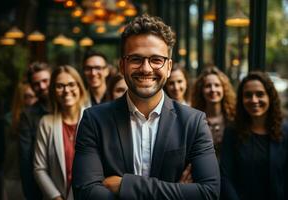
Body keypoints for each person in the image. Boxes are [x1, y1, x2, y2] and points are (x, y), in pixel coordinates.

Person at [73, 14, 220, 200]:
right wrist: (176, 192)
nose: (146, 68)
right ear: (122, 66)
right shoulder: (94, 120)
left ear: (168, 67)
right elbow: (86, 192)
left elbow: (208, 193)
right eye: (136, 59)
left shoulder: (193, 121)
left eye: (156, 60)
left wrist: (126, 185)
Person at [220, 71, 288, 200]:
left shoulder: (285, 131)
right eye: (248, 95)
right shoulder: (232, 132)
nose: (254, 100)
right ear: (241, 100)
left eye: (260, 94)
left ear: (270, 97)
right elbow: (226, 176)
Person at [34, 66, 89, 200]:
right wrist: (56, 197)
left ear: (80, 88)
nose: (66, 90)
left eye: (71, 84)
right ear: (53, 91)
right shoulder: (46, 123)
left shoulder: (93, 119)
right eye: (60, 86)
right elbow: (39, 168)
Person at [19, 62, 52, 200]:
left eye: (45, 81)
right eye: (36, 84)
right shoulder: (28, 115)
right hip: (42, 186)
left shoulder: (72, 106)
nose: (42, 87)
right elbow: (25, 158)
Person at [191, 66, 236, 159]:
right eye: (208, 86)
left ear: (224, 89)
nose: (213, 89)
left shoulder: (233, 118)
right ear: (201, 90)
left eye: (217, 85)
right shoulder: (194, 120)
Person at [3, 81, 37, 200]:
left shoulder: (40, 117)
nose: (32, 100)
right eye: (27, 96)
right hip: (14, 179)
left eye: (34, 96)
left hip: (36, 178)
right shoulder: (8, 121)